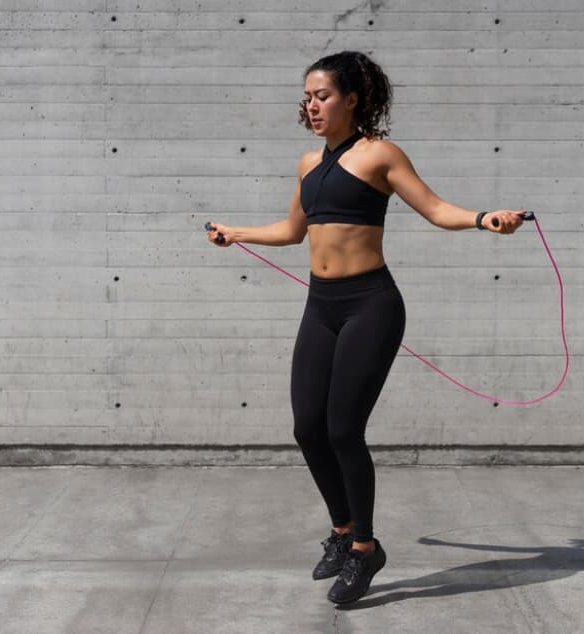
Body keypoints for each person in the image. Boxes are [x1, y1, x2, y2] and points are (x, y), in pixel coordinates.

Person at [206, 50, 526, 604]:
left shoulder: (380, 155)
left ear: (352, 99)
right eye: (307, 96)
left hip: (370, 306)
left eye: (322, 95)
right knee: (308, 428)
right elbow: (291, 231)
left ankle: (365, 549)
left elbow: (435, 209)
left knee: (342, 430)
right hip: (322, 305)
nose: (311, 105)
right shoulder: (310, 164)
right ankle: (340, 531)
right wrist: (236, 232)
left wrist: (484, 219)